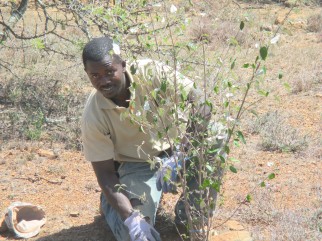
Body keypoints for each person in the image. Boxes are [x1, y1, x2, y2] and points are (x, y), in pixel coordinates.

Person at [81, 36, 213, 241]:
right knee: (132, 234)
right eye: (95, 75)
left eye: (109, 72)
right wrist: (131, 219)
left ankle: (190, 219)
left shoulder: (151, 73)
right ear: (87, 75)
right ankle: (112, 207)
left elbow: (202, 104)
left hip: (178, 151)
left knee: (217, 135)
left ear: (123, 65)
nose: (104, 81)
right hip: (138, 166)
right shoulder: (93, 115)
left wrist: (182, 155)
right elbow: (106, 176)